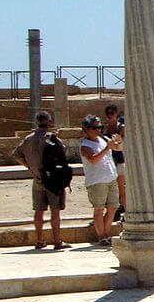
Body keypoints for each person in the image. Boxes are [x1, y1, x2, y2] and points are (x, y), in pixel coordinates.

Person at [14, 111, 69, 250]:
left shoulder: (29, 138)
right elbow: (63, 152)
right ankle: (57, 241)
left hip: (37, 178)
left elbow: (16, 154)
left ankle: (39, 240)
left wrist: (29, 167)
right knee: (55, 211)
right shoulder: (52, 138)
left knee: (39, 211)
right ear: (49, 122)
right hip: (53, 179)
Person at [79, 114, 121, 247]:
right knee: (99, 209)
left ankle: (105, 233)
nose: (99, 130)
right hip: (97, 180)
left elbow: (118, 148)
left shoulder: (103, 139)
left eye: (100, 127)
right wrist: (107, 148)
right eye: (95, 128)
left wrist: (118, 142)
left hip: (110, 177)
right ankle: (102, 236)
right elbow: (93, 159)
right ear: (87, 129)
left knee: (113, 207)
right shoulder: (85, 146)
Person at [103, 104, 126, 215]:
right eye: (108, 114)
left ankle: (126, 211)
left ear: (116, 114)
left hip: (119, 159)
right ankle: (114, 212)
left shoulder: (121, 127)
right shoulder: (104, 128)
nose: (110, 116)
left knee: (121, 188)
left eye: (112, 113)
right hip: (109, 160)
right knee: (110, 188)